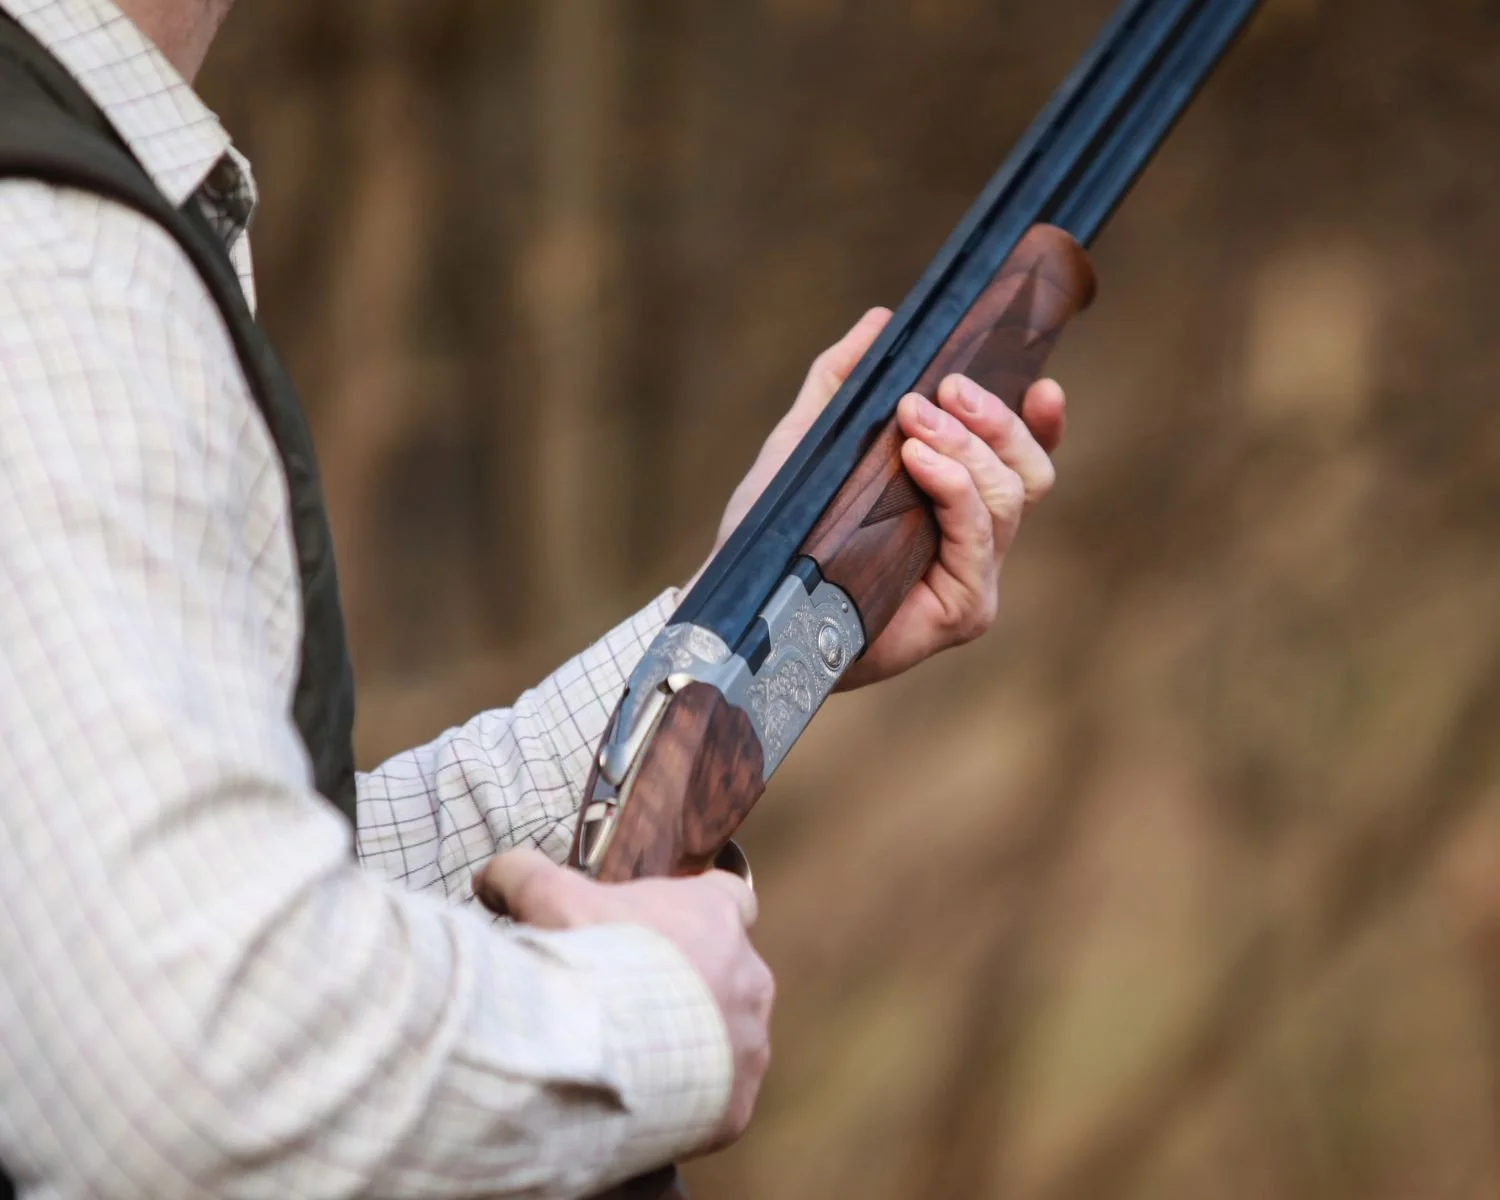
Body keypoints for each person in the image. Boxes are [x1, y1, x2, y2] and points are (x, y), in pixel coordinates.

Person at [0, 0, 1068, 1196]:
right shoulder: (50, 258)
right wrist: (639, 1021)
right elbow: (177, 1063)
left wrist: (769, 607)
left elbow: (207, 897)